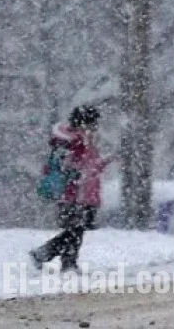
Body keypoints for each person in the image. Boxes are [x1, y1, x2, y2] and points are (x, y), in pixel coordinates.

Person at [30, 105, 113, 272]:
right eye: (93, 122)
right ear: (86, 122)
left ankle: (66, 262)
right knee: (75, 230)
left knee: (76, 230)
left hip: (76, 194)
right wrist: (104, 161)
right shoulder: (77, 141)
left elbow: (85, 166)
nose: (96, 126)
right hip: (77, 194)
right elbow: (86, 168)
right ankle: (49, 256)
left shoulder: (69, 140)